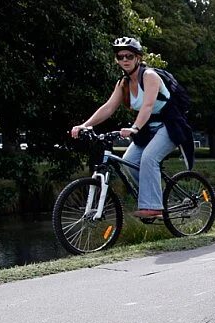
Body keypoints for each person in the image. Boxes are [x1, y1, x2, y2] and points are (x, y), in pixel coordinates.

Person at [71, 37, 193, 219]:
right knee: (128, 161)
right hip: (146, 129)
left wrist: (134, 127)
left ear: (138, 57)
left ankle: (153, 207)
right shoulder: (123, 83)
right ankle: (155, 198)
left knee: (149, 158)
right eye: (120, 57)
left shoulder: (150, 76)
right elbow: (108, 107)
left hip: (169, 125)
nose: (125, 60)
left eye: (129, 55)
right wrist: (85, 125)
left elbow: (148, 106)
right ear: (117, 60)